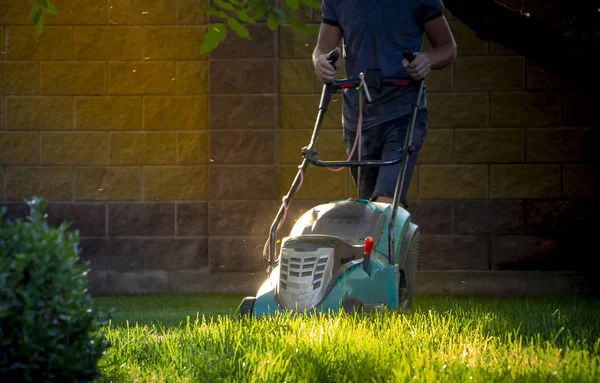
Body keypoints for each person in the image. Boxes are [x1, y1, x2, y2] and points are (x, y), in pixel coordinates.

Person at [312, 0, 456, 209]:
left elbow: (448, 48)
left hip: (403, 113)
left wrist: (426, 59)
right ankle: (385, 241)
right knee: (368, 207)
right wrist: (320, 62)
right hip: (358, 120)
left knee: (385, 202)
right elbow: (323, 48)